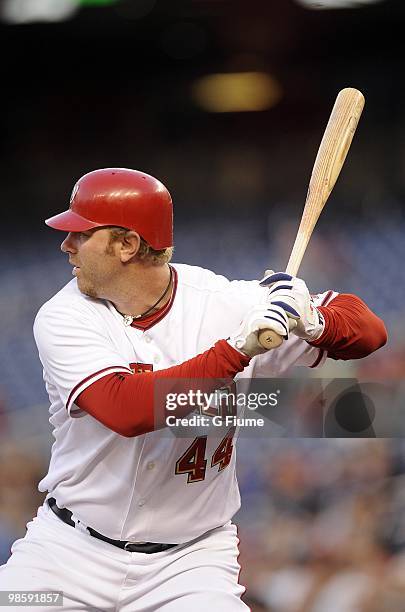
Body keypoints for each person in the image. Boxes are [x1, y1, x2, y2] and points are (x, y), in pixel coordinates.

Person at [0, 168, 387, 611]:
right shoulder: (64, 316)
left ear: (127, 245)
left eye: (81, 234)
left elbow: (370, 333)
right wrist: (239, 348)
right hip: (69, 554)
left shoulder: (225, 303)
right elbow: (127, 410)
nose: (66, 245)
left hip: (188, 566)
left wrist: (313, 320)